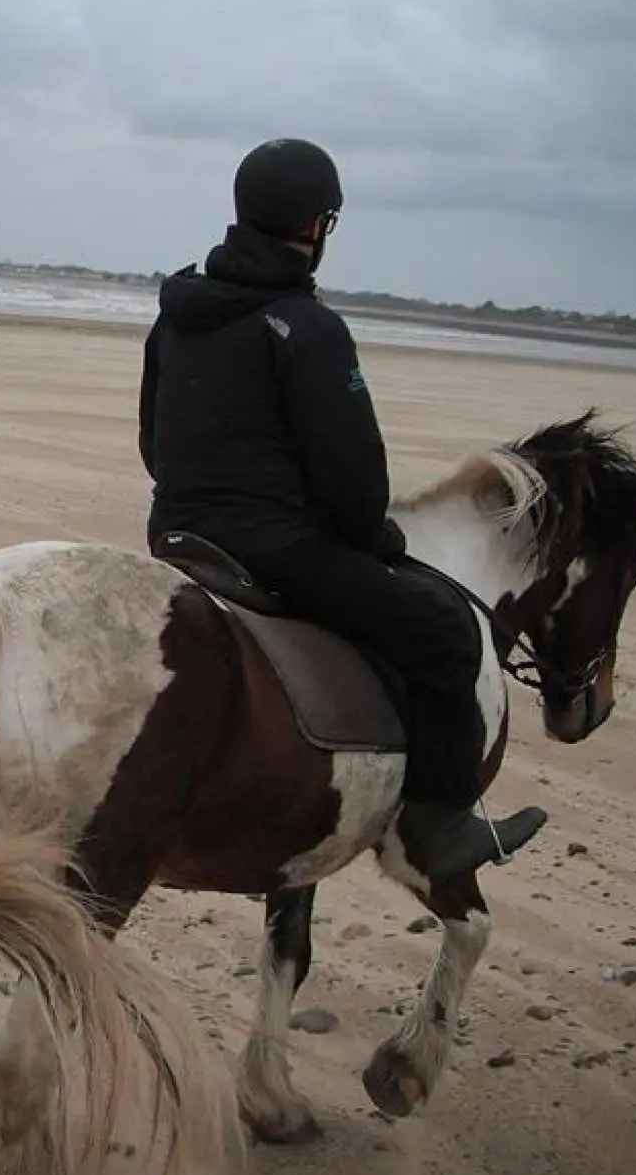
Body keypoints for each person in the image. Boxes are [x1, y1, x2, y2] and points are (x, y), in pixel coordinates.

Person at [137, 136, 546, 881]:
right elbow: (354, 488)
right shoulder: (309, 328)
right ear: (316, 226)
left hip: (178, 533)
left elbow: (152, 443)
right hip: (276, 548)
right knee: (447, 632)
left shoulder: (177, 314)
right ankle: (441, 822)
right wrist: (377, 539)